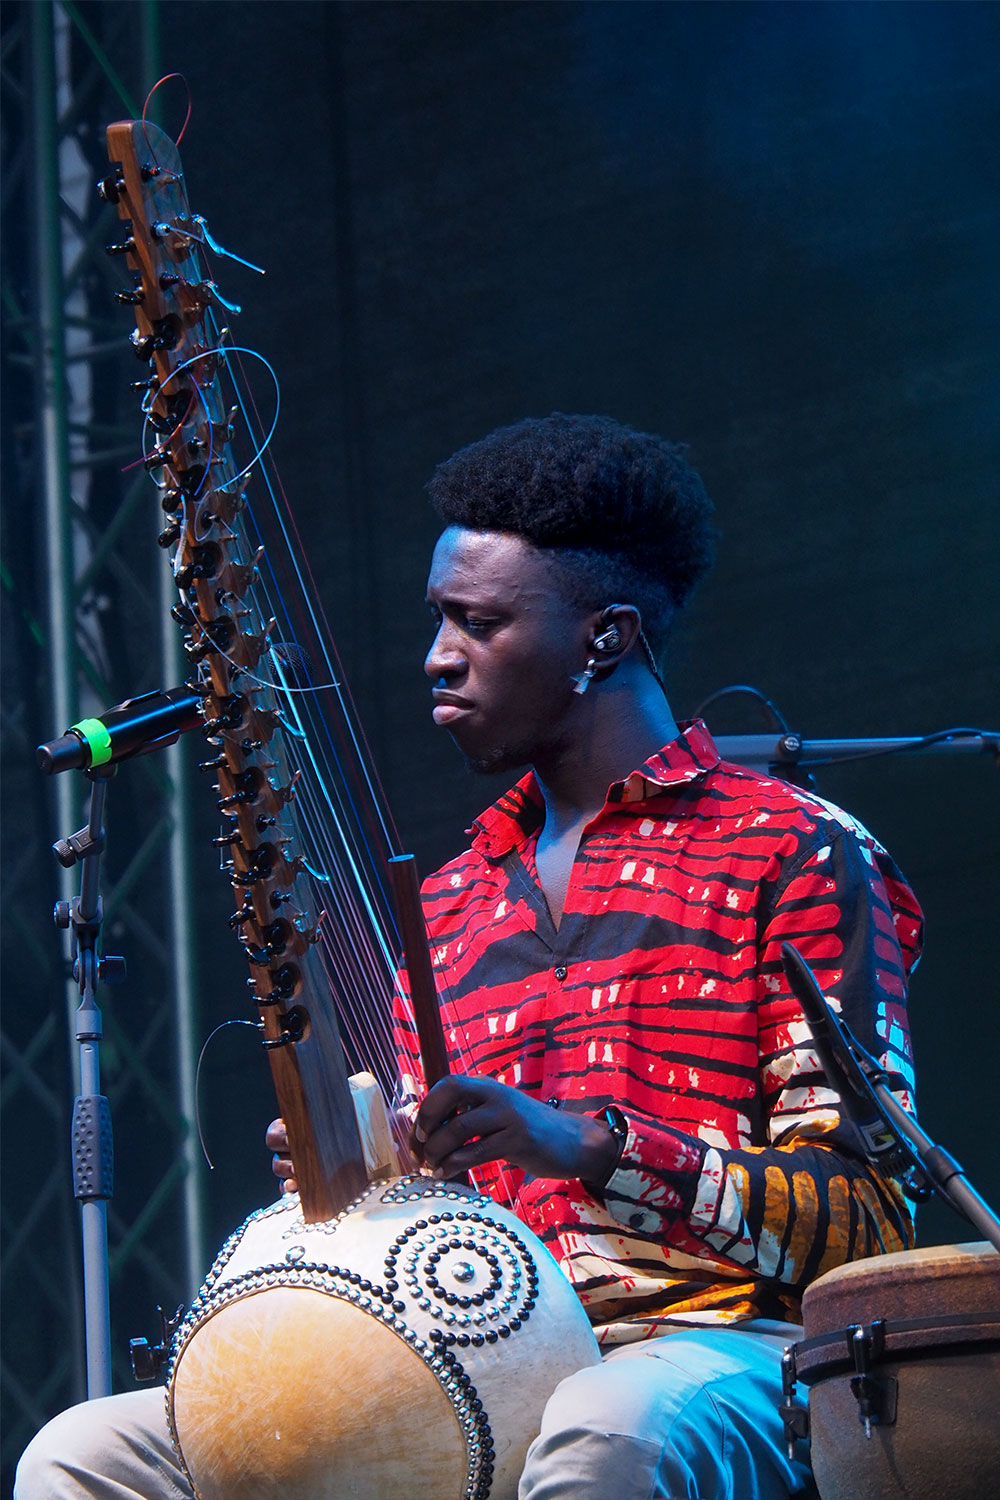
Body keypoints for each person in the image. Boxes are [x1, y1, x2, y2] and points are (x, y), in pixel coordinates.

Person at [16, 413, 922, 1500]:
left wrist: (589, 1149)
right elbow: (441, 1205)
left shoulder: (790, 851)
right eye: (438, 618)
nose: (437, 654)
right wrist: (359, 1171)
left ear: (605, 637)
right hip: (469, 1351)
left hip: (716, 1349)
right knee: (85, 1452)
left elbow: (869, 1217)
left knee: (604, 1424)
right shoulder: (443, 908)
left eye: (478, 622)